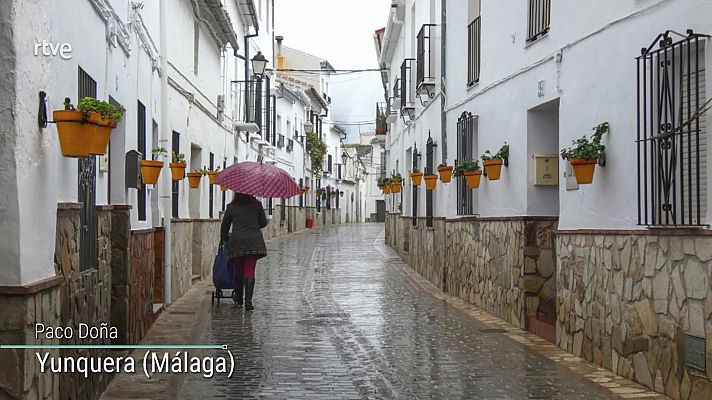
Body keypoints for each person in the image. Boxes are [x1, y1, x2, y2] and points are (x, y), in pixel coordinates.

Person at [220, 193, 268, 311]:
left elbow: (224, 226)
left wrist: (225, 238)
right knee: (249, 270)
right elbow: (263, 223)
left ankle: (239, 296)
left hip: (237, 242)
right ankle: (248, 302)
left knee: (239, 270)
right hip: (254, 241)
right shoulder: (257, 205)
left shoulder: (231, 207)